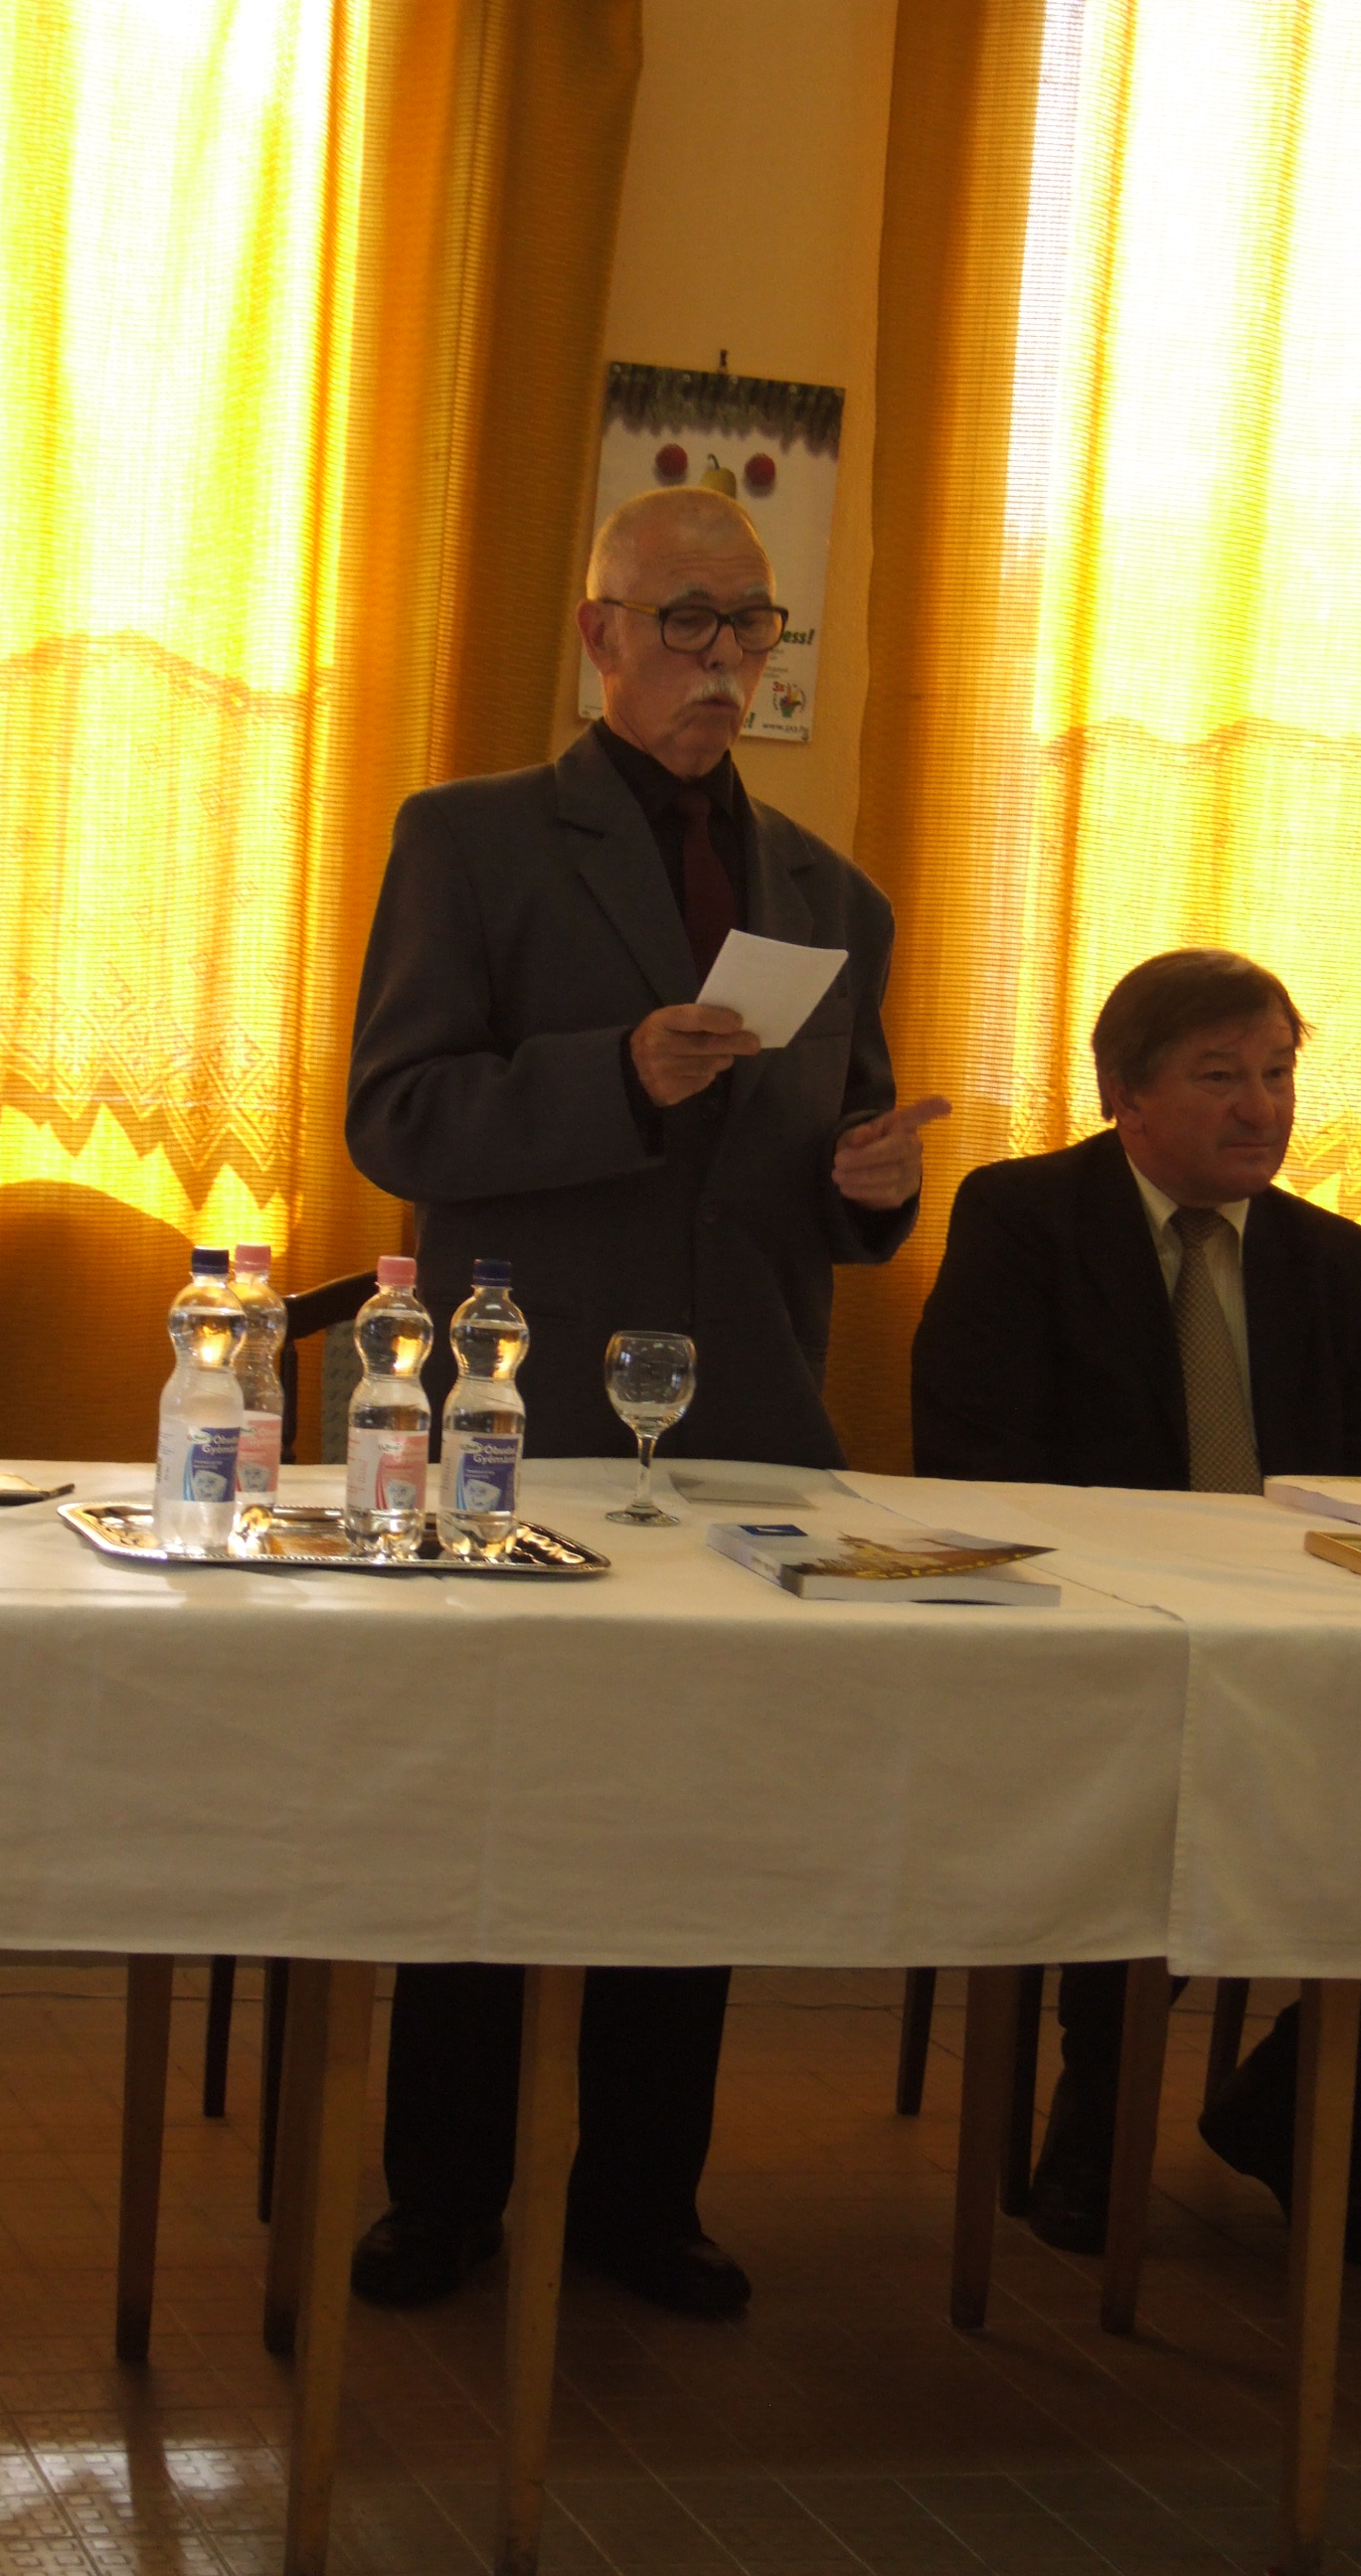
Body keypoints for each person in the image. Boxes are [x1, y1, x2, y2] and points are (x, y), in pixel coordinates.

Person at [344, 487, 942, 2316]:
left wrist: (876, 1186)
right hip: (524, 1420)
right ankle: (444, 2189)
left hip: (745, 1419)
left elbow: (836, 1167)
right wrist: (612, 1075)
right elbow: (397, 1117)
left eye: (751, 628)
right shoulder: (471, 841)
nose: (723, 662)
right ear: (600, 634)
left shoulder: (832, 895)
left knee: (697, 1816)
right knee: (489, 1799)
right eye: (686, 622)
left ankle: (641, 2196)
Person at [914, 948, 1361, 2252]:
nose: (1261, 1109)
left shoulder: (1333, 1262)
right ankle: (1098, 2127)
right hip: (1096, 1636)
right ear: (1126, 1093)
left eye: (1276, 1074)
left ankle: (1282, 2108)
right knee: (1171, 1784)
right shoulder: (1027, 1217)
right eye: (1220, 1077)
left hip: (1298, 1641)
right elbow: (972, 1456)